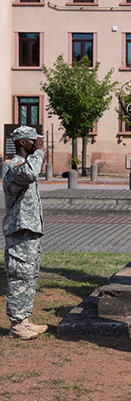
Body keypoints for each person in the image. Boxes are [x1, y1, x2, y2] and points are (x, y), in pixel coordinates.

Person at [2, 126, 47, 340]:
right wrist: (39, 152)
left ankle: (24, 320)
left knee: (29, 275)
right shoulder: (15, 166)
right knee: (20, 276)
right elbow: (30, 173)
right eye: (33, 141)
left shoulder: (25, 163)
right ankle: (17, 325)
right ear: (22, 142)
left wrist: (37, 154)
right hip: (18, 230)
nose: (37, 144)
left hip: (28, 229)